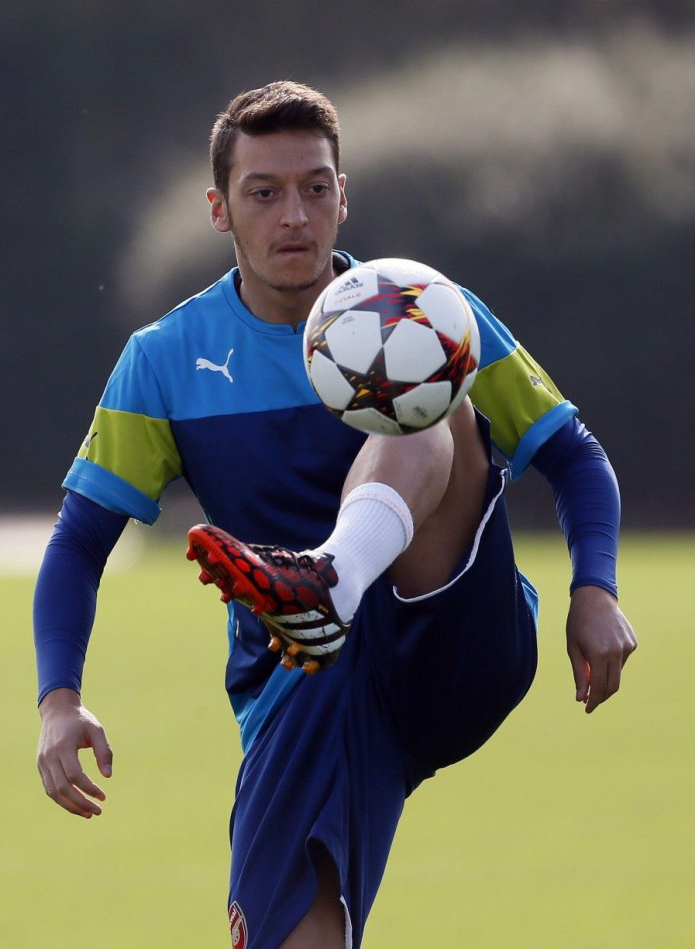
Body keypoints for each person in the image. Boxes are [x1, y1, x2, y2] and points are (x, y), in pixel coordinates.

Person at [34, 80, 637, 948]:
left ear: (343, 198)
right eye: (264, 192)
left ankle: (329, 582)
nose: (295, 215)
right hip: (300, 683)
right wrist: (59, 701)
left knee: (428, 393)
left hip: (453, 642)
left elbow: (574, 453)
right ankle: (317, 609)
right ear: (219, 209)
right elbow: (79, 541)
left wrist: (596, 587)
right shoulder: (165, 360)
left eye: (317, 188)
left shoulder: (428, 309)